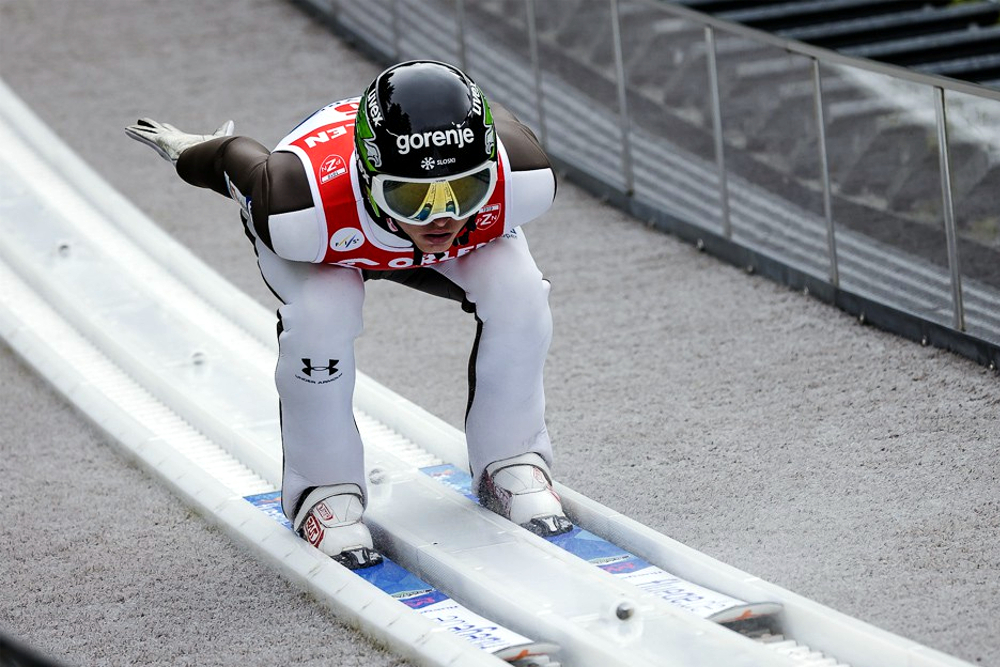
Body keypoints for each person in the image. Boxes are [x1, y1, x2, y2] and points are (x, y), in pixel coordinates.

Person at [126, 60, 571, 569]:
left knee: (521, 294)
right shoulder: (296, 205)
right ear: (367, 178)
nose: (441, 216)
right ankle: (322, 488)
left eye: (465, 189)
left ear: (490, 172)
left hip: (405, 227)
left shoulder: (524, 177)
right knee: (322, 316)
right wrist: (191, 153)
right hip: (330, 241)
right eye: (411, 195)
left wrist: (432, 198)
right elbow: (233, 158)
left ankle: (512, 456)